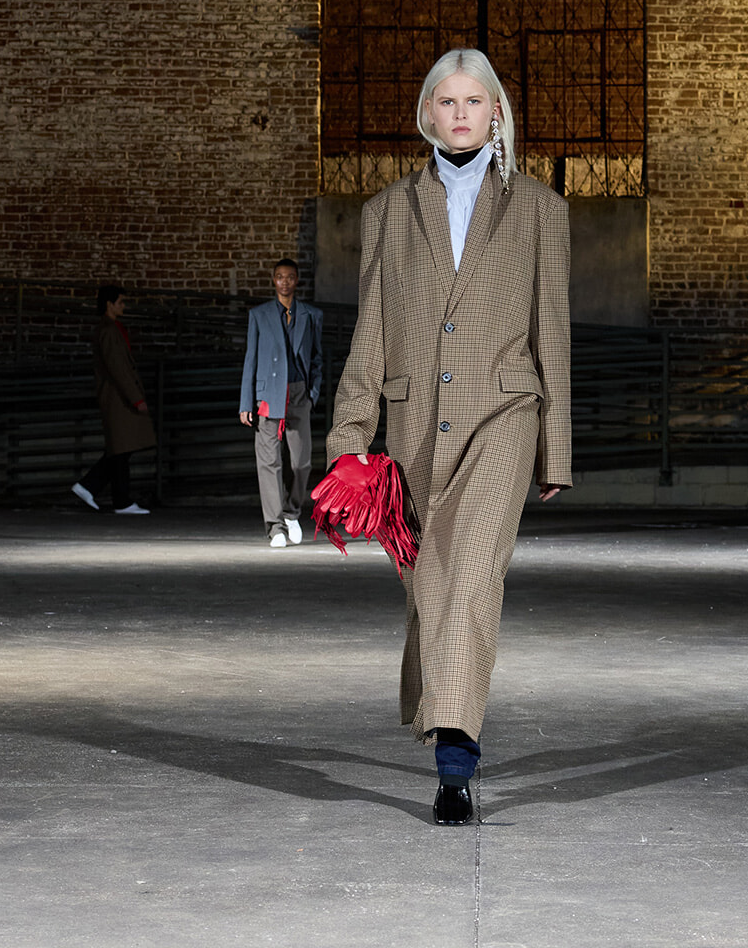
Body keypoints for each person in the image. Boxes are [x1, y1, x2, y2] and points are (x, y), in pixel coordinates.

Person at [325, 47, 571, 825]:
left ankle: (454, 764)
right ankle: (444, 712)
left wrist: (555, 447)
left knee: (469, 578)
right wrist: (349, 440)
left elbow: (552, 332)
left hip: (505, 415)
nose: (460, 113)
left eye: (474, 100)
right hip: (413, 427)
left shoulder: (540, 209)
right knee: (430, 582)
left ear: (496, 111)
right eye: (446, 100)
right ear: (427, 112)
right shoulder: (388, 211)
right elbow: (371, 333)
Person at [239, 259, 323, 547]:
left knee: (302, 462)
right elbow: (250, 359)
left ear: (297, 280)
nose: (284, 281)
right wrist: (246, 402)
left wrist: (312, 394)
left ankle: (291, 512)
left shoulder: (311, 315)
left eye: (289, 277)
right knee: (269, 462)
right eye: (279, 277)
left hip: (299, 394)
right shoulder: (259, 315)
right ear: (273, 280)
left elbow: (317, 358)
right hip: (268, 396)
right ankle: (275, 527)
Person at [71, 284, 155, 515]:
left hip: (118, 397)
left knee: (121, 448)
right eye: (120, 302)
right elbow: (118, 368)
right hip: (118, 398)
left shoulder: (109, 329)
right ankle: (112, 496)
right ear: (109, 304)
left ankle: (104, 492)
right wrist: (136, 399)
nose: (123, 306)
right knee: (121, 449)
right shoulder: (108, 331)